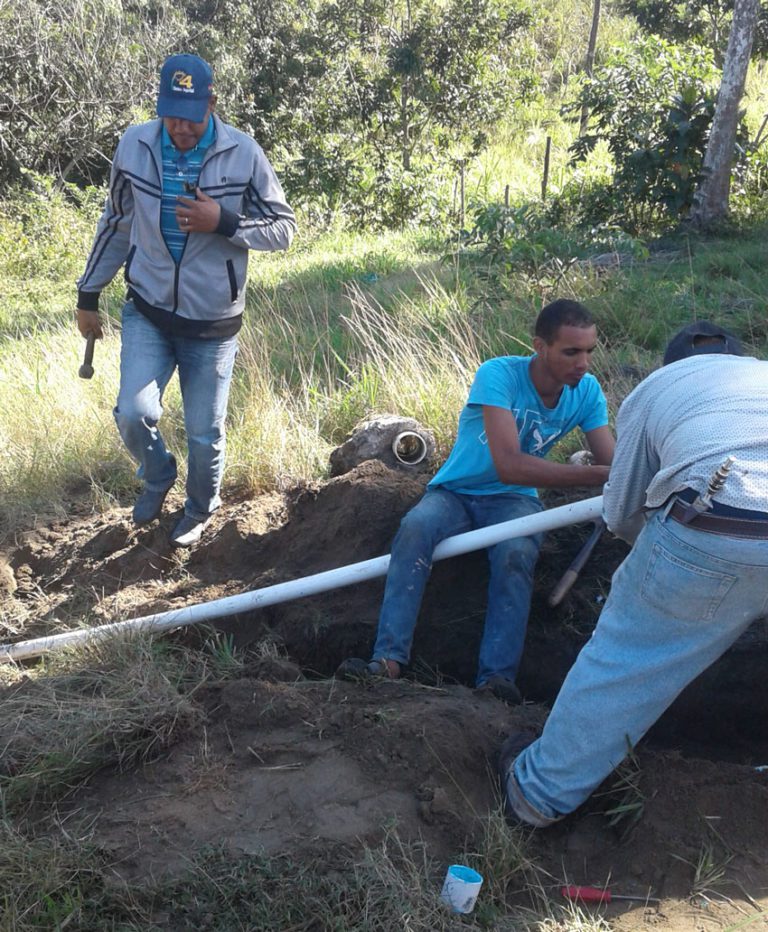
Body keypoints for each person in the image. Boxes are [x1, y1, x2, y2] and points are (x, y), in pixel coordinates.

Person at [498, 320, 768, 826]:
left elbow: (621, 510)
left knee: (624, 661)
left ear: (671, 364)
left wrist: (660, 567)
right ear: (739, 357)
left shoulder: (657, 389)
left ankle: (536, 795)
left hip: (716, 517)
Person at [337, 299, 615, 703]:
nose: (583, 363)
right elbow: (510, 465)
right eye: (571, 351)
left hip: (514, 501)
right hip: (456, 491)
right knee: (415, 529)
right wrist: (594, 475)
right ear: (540, 346)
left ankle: (495, 682)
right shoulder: (498, 374)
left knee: (516, 555)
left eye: (589, 350)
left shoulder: (586, 392)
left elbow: (614, 465)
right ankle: (388, 661)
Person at [76, 53, 296, 547]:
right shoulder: (134, 145)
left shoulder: (244, 153)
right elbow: (115, 221)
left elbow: (284, 229)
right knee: (132, 413)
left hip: (213, 322)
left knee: (203, 433)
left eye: (190, 115)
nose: (180, 126)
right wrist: (88, 293)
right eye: (171, 113)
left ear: (211, 103)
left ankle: (200, 508)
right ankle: (157, 476)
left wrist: (225, 222)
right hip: (148, 309)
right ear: (159, 105)